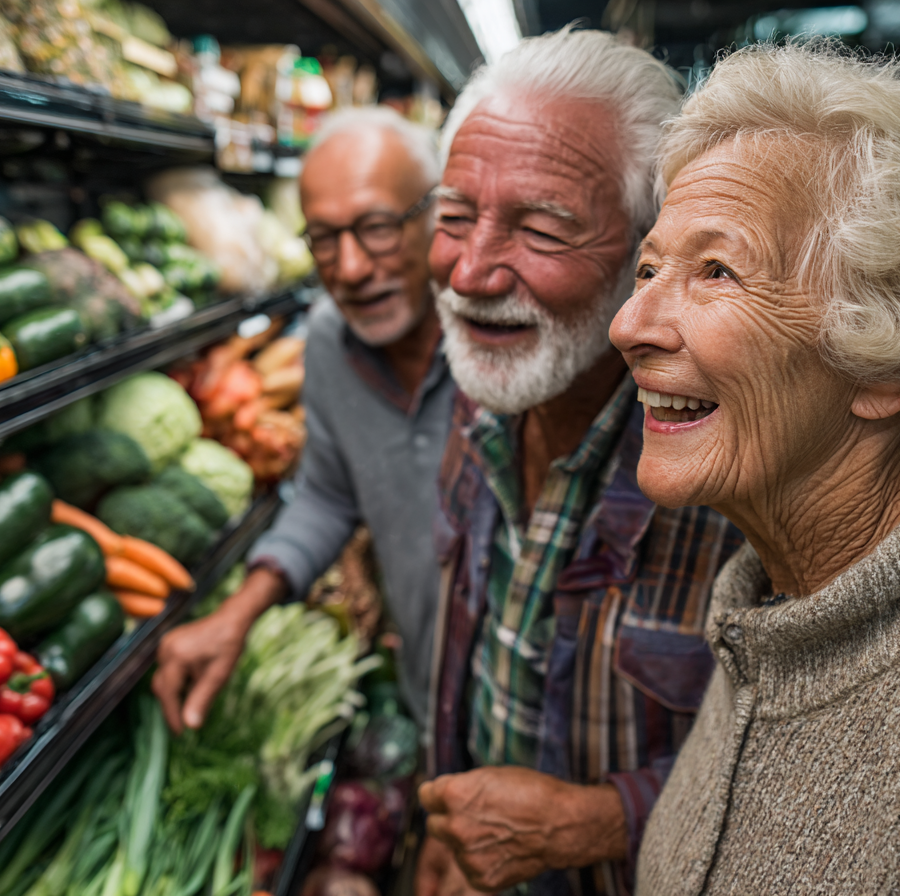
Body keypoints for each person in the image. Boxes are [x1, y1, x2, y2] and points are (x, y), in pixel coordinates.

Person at [615, 43, 900, 894]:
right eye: (648, 268)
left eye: (717, 271)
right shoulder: (775, 620)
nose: (630, 324)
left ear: (893, 363)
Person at [416, 29, 744, 896]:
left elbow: (826, 764)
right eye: (453, 216)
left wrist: (592, 822)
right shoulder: (479, 396)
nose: (473, 271)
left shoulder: (737, 474)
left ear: (647, 252)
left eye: (543, 227)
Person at [152, 107, 453, 733]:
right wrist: (240, 610)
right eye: (322, 237)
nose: (348, 268)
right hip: (432, 694)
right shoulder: (327, 340)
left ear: (437, 214)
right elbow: (327, 492)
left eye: (376, 228)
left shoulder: (506, 344)